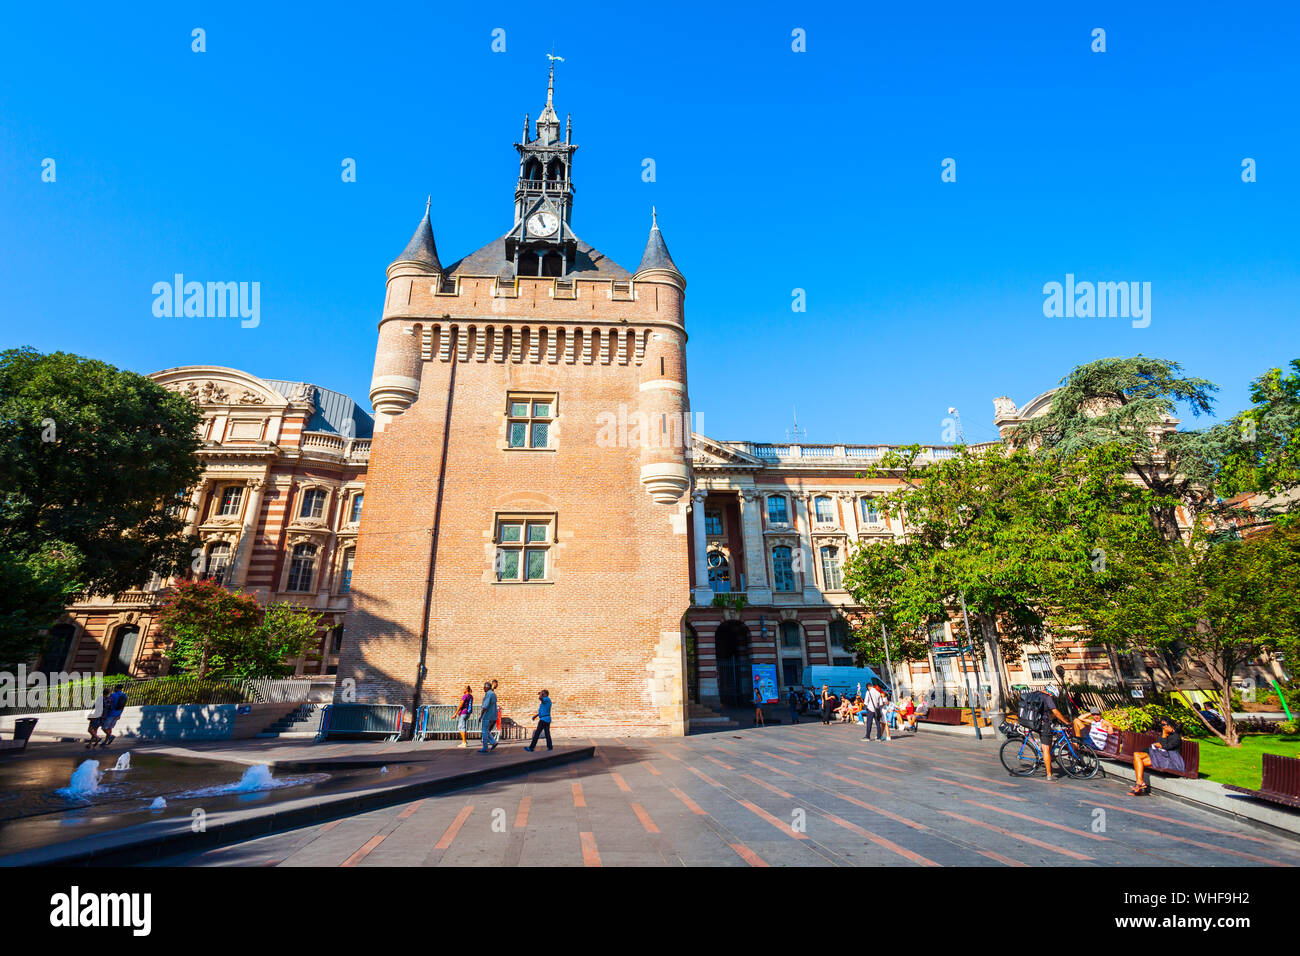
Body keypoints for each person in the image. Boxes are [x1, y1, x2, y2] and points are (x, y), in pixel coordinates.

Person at [1021, 683, 1071, 781]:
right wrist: (1066, 722)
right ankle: (1049, 774)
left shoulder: (1035, 693)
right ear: (1051, 693)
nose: (1052, 698)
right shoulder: (1047, 697)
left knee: (1048, 741)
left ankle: (1046, 757)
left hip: (1034, 722)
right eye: (1053, 696)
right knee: (1046, 749)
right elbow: (1055, 712)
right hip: (1044, 724)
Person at [1131, 718, 1184, 795]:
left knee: (1137, 758)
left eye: (1164, 725)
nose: (1162, 727)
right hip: (1161, 757)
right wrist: (1163, 736)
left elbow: (1167, 747)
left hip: (1171, 761)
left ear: (1170, 726)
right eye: (1161, 725)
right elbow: (1159, 744)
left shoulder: (1176, 737)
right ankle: (1139, 782)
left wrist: (1164, 738)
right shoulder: (1164, 734)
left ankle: (1140, 783)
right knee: (1138, 760)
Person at [477, 681, 498, 754]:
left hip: (487, 716)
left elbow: (485, 706)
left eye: (484, 687)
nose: (483, 688)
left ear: (486, 687)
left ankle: (485, 747)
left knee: (484, 731)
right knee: (486, 731)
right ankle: (493, 742)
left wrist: (481, 715)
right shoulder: (493, 694)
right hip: (493, 715)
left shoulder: (488, 694)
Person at [489, 678, 503, 750]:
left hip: (491, 713)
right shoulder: (490, 692)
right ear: (494, 683)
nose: (497, 685)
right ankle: (491, 742)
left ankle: (493, 742)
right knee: (486, 730)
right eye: (496, 684)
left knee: (486, 730)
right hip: (491, 713)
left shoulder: (491, 692)